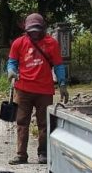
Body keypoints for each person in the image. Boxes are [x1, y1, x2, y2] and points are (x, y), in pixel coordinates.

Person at [6, 13, 69, 165]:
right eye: (31, 30)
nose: (34, 33)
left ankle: (43, 153)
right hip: (22, 89)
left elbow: (59, 65)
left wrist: (62, 84)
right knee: (21, 122)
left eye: (37, 30)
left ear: (43, 29)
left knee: (44, 123)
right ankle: (21, 155)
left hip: (44, 90)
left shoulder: (51, 43)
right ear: (26, 29)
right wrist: (11, 71)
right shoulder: (18, 43)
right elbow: (12, 61)